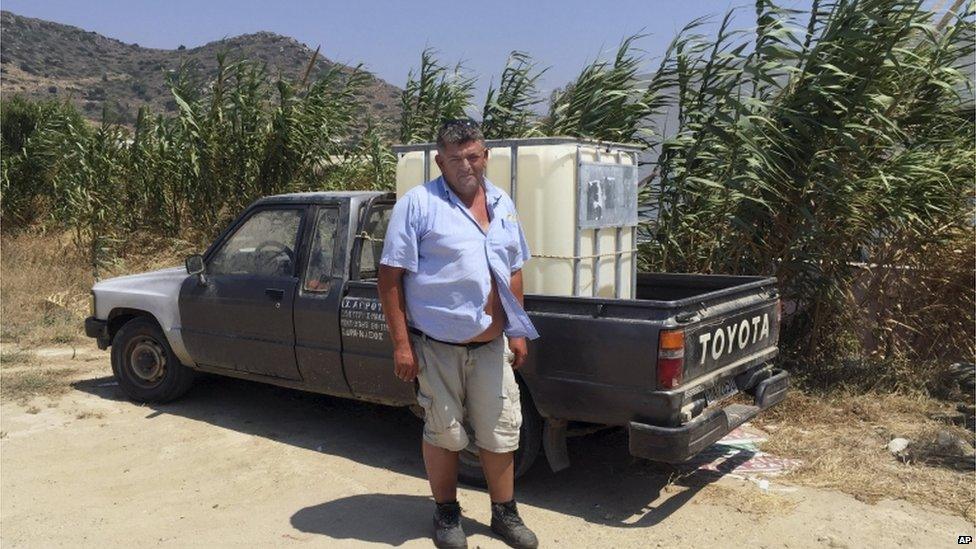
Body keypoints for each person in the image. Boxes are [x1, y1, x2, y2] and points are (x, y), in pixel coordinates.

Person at [377, 119, 540, 549]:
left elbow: (515, 268)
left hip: (491, 347)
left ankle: (505, 514)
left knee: (500, 431)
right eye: (455, 158)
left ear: (485, 156)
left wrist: (518, 330)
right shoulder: (418, 204)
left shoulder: (503, 202)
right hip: (436, 349)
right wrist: (401, 344)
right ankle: (447, 514)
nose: (465, 165)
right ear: (439, 161)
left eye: (472, 156)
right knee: (444, 434)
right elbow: (389, 276)